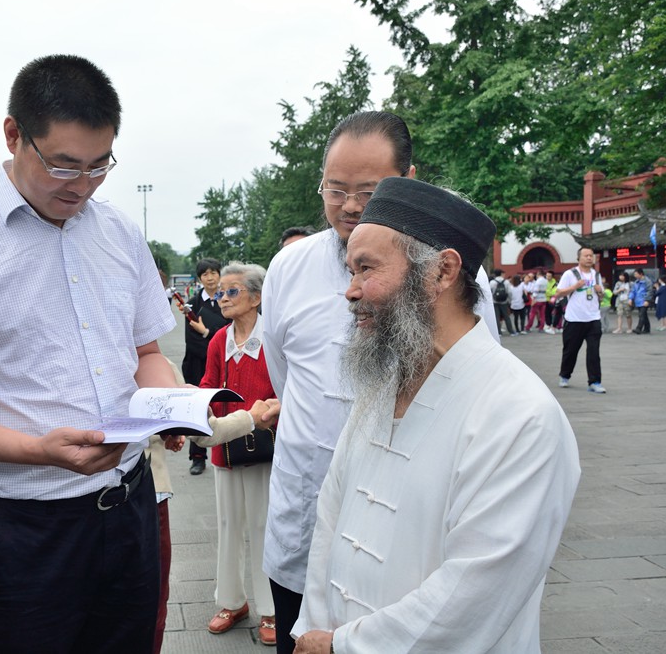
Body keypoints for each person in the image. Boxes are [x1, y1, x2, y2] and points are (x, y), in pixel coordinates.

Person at [0, 54, 179, 654]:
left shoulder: (119, 233)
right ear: (13, 134)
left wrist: (171, 404)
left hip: (131, 506)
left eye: (100, 165)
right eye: (63, 165)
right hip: (28, 529)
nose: (82, 185)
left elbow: (146, 352)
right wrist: (37, 451)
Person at [292, 177, 580, 654]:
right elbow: (329, 522)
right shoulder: (381, 387)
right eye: (350, 271)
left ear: (442, 271)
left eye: (366, 269)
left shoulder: (521, 415)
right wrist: (315, 630)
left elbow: (475, 594)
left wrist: (343, 646)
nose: (351, 292)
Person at [259, 110, 499, 654]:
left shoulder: (450, 273)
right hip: (303, 522)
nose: (349, 206)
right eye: (335, 189)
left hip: (403, 540)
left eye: (368, 191)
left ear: (407, 180)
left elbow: (477, 382)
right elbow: (284, 378)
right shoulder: (288, 268)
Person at [199, 262, 277, 647]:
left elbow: (282, 388)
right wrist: (199, 406)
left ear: (256, 297)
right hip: (226, 449)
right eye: (220, 293)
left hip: (266, 448)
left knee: (264, 527)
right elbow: (208, 385)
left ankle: (271, 608)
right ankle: (231, 602)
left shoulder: (272, 337)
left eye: (232, 291)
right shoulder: (219, 340)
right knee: (228, 526)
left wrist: (267, 412)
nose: (223, 299)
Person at [178, 258, 230, 475]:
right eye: (205, 274)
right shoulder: (193, 305)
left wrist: (207, 333)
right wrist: (214, 343)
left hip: (226, 362)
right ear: (200, 279)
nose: (210, 278)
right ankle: (198, 457)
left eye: (213, 273)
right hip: (199, 364)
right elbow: (192, 340)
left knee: (226, 407)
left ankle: (228, 450)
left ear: (219, 274)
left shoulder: (226, 299)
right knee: (198, 410)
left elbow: (232, 329)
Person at [556, 247, 606, 393]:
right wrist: (575, 286)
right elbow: (558, 293)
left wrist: (600, 292)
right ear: (579, 258)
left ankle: (595, 382)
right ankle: (565, 375)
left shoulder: (596, 275)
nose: (589, 258)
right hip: (574, 319)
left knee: (594, 352)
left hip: (593, 318)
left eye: (591, 256)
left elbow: (601, 297)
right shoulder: (570, 274)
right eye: (586, 256)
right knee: (570, 351)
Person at [490, 269, 516, 336]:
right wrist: (509, 300)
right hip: (504, 302)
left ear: (495, 274)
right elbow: (509, 292)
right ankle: (511, 331)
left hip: (495, 302)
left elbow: (490, 292)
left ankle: (498, 332)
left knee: (497, 317)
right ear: (501, 274)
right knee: (507, 317)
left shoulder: (492, 282)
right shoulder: (506, 282)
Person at [630, 268, 652, 334]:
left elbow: (650, 291)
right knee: (644, 315)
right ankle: (647, 328)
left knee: (641, 315)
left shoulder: (647, 281)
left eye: (636, 274)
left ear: (641, 274)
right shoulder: (636, 282)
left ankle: (638, 328)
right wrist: (630, 298)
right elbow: (633, 291)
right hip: (638, 301)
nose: (635, 275)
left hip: (644, 300)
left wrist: (647, 300)